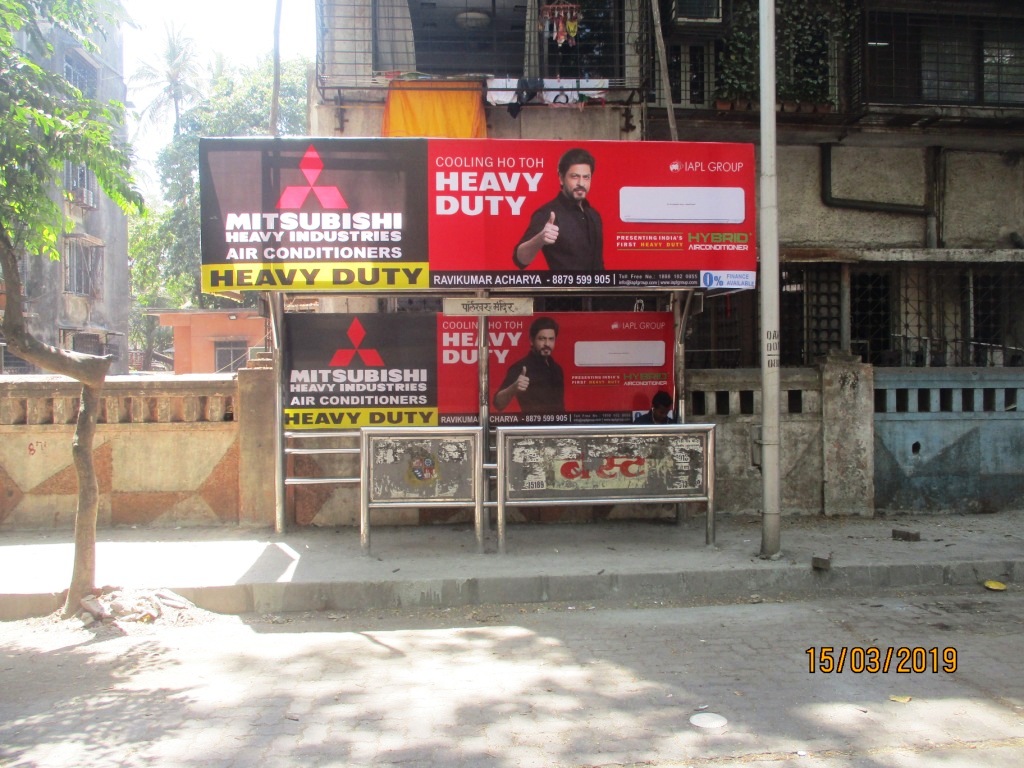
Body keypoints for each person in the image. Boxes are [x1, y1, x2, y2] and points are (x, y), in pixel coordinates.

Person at [513, 147, 604, 272]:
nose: (581, 183)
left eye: (586, 177)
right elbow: (520, 259)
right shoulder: (548, 213)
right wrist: (539, 239)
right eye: (575, 176)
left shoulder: (594, 215)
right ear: (561, 178)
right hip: (565, 285)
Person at [493, 317, 565, 414]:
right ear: (531, 340)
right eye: (542, 339)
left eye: (551, 339)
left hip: (560, 423)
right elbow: (498, 404)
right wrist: (514, 387)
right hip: (532, 423)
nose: (547, 344)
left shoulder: (557, 369)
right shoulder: (521, 367)